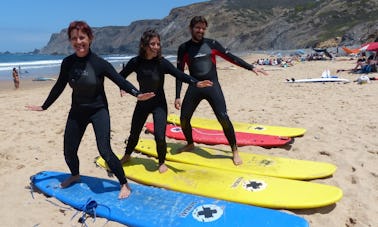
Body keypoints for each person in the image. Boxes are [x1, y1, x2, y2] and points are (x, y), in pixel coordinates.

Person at [25, 21, 155, 199]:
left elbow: (119, 80)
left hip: (98, 111)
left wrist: (137, 94)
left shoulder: (99, 63)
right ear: (70, 41)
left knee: (105, 151)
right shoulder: (68, 63)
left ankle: (124, 183)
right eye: (74, 39)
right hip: (77, 111)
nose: (78, 42)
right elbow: (59, 86)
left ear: (90, 38)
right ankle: (75, 174)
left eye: (82, 37)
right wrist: (44, 106)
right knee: (69, 151)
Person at [174, 16, 268, 165]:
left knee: (223, 118)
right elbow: (179, 73)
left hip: (212, 86)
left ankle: (235, 150)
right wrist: (177, 95)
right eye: (198, 28)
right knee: (184, 119)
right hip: (195, 87)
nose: (201, 31)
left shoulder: (212, 44)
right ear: (191, 28)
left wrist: (251, 67)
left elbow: (231, 57)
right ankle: (190, 144)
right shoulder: (183, 48)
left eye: (203, 28)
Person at [119, 29, 213, 173]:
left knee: (159, 135)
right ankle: (127, 155)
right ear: (144, 45)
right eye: (153, 44)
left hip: (159, 105)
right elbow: (120, 77)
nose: (156, 47)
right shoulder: (136, 62)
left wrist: (196, 82)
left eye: (158, 44)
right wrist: (125, 88)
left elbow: (179, 74)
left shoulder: (161, 63)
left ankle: (161, 162)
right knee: (134, 133)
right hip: (142, 103)